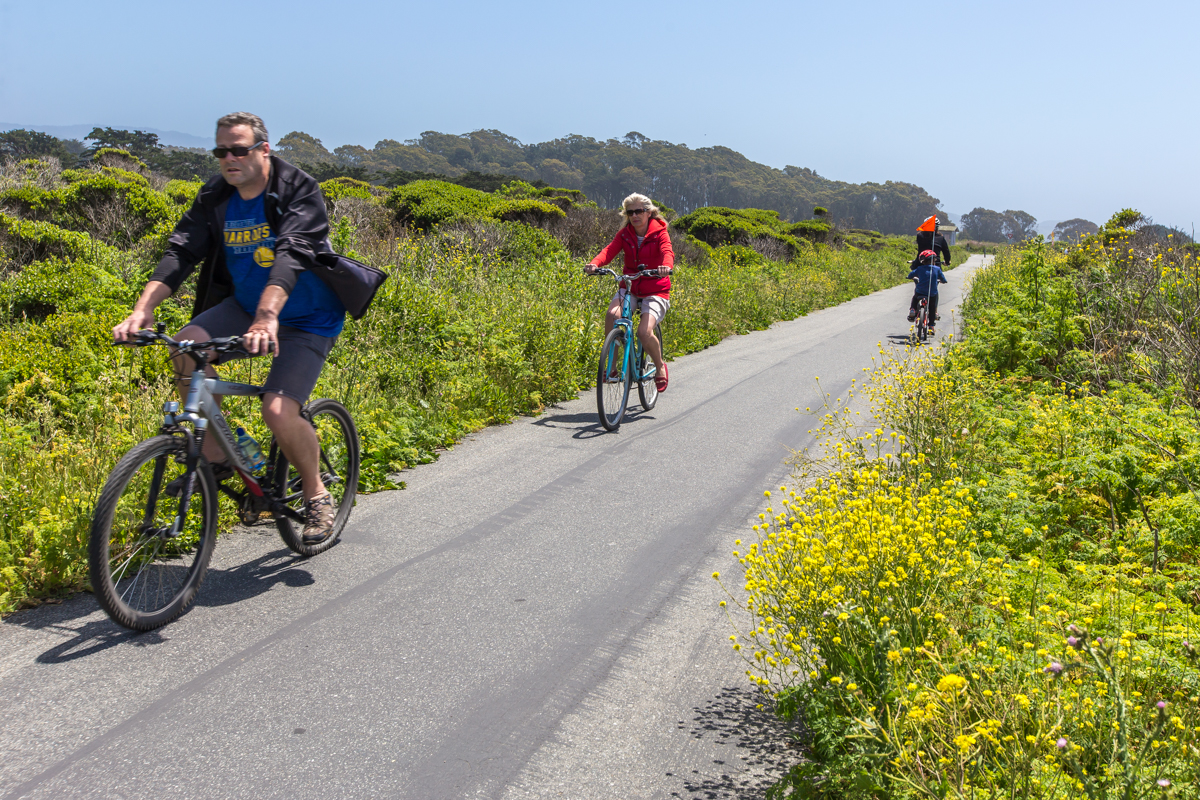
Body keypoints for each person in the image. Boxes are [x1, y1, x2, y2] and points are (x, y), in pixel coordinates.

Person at [112, 112, 346, 544]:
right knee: (185, 347)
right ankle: (224, 456)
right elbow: (181, 252)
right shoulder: (217, 196)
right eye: (221, 151)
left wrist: (267, 317)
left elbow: (292, 254)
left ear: (263, 149)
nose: (229, 158)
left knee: (278, 410)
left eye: (239, 149)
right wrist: (141, 310)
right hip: (243, 307)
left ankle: (316, 495)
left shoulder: (297, 190)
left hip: (307, 318)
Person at [584, 193, 674, 392]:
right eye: (630, 212)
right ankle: (613, 368)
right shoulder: (625, 234)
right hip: (630, 286)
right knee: (612, 315)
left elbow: (667, 251)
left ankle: (660, 367)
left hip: (655, 288)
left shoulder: (660, 232)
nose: (634, 216)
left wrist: (666, 266)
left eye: (639, 211)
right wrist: (594, 263)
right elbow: (609, 250)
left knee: (643, 331)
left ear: (649, 213)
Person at [907, 249, 948, 334]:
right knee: (932, 308)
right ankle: (931, 326)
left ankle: (913, 310)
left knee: (915, 298)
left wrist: (909, 277)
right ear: (933, 260)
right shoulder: (937, 269)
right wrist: (943, 281)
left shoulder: (919, 268)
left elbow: (911, 275)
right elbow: (943, 279)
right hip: (931, 293)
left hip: (920, 291)